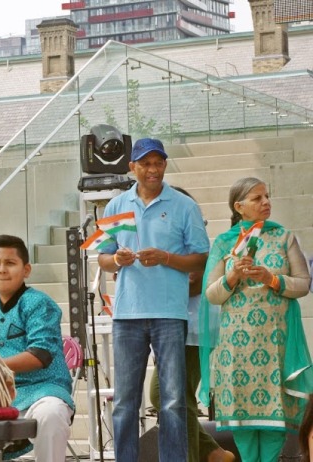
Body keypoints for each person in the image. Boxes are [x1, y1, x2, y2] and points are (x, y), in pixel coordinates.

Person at [97, 138, 209, 462]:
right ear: (132, 168)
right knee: (125, 402)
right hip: (127, 316)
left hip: (170, 314)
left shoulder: (184, 206)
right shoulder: (116, 207)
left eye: (158, 162)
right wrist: (117, 259)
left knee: (173, 400)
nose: (152, 169)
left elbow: (201, 258)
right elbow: (103, 257)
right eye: (145, 163)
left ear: (165, 165)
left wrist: (165, 258)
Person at [200, 177, 312, 462]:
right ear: (239, 207)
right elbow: (211, 295)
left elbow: (303, 283)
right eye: (257, 198)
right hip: (237, 350)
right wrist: (233, 276)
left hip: (275, 347)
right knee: (244, 426)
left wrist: (271, 278)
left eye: (267, 196)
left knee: (274, 426)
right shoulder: (225, 242)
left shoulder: (283, 236)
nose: (266, 202)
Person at [147, 187, 236, 462]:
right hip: (176, 326)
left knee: (168, 397)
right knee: (172, 398)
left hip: (191, 327)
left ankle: (203, 455)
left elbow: (197, 282)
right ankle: (213, 453)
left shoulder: (191, 237)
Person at [0, 235, 74, 462]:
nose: (2, 269)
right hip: (5, 398)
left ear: (26, 269)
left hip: (45, 392)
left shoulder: (39, 303)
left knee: (51, 415)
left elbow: (40, 354)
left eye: (10, 263)